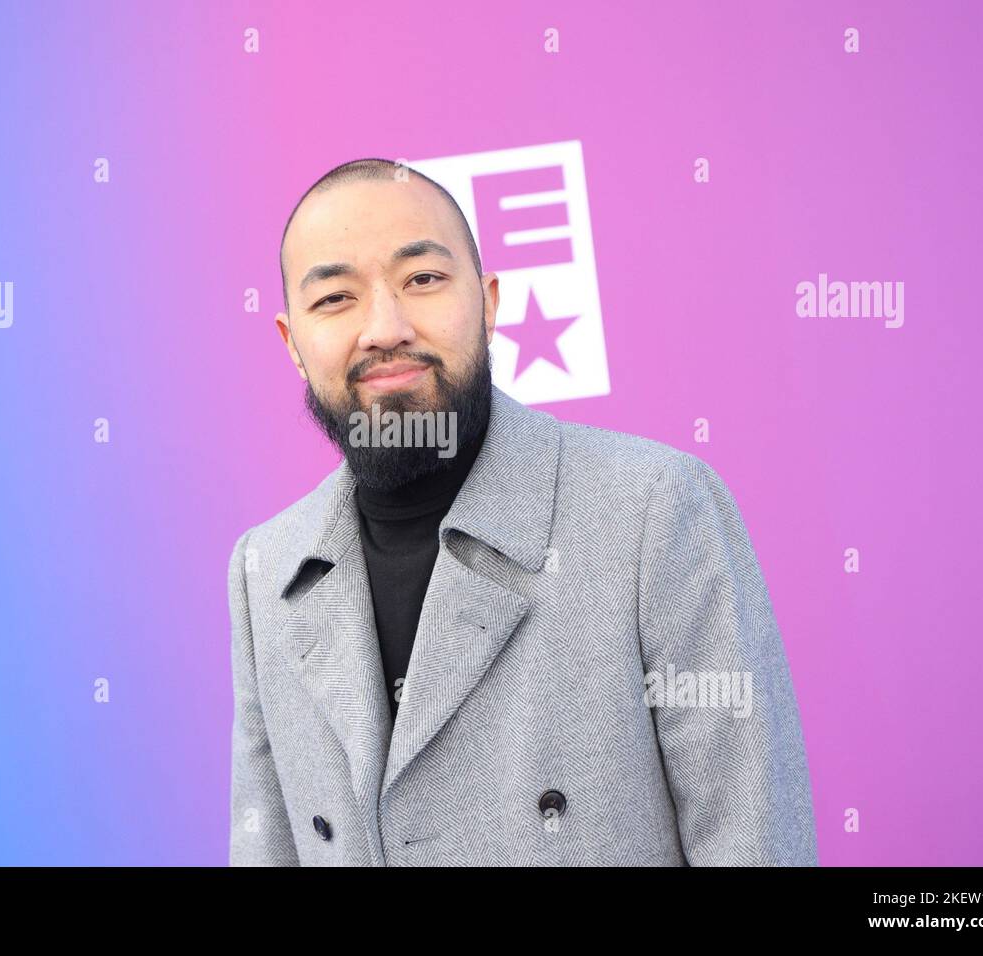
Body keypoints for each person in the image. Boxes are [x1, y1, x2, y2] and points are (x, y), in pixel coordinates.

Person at [227, 157, 818, 865]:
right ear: (293, 346)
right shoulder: (265, 570)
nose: (383, 327)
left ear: (489, 301)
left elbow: (754, 841)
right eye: (335, 299)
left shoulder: (654, 511)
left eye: (422, 279)